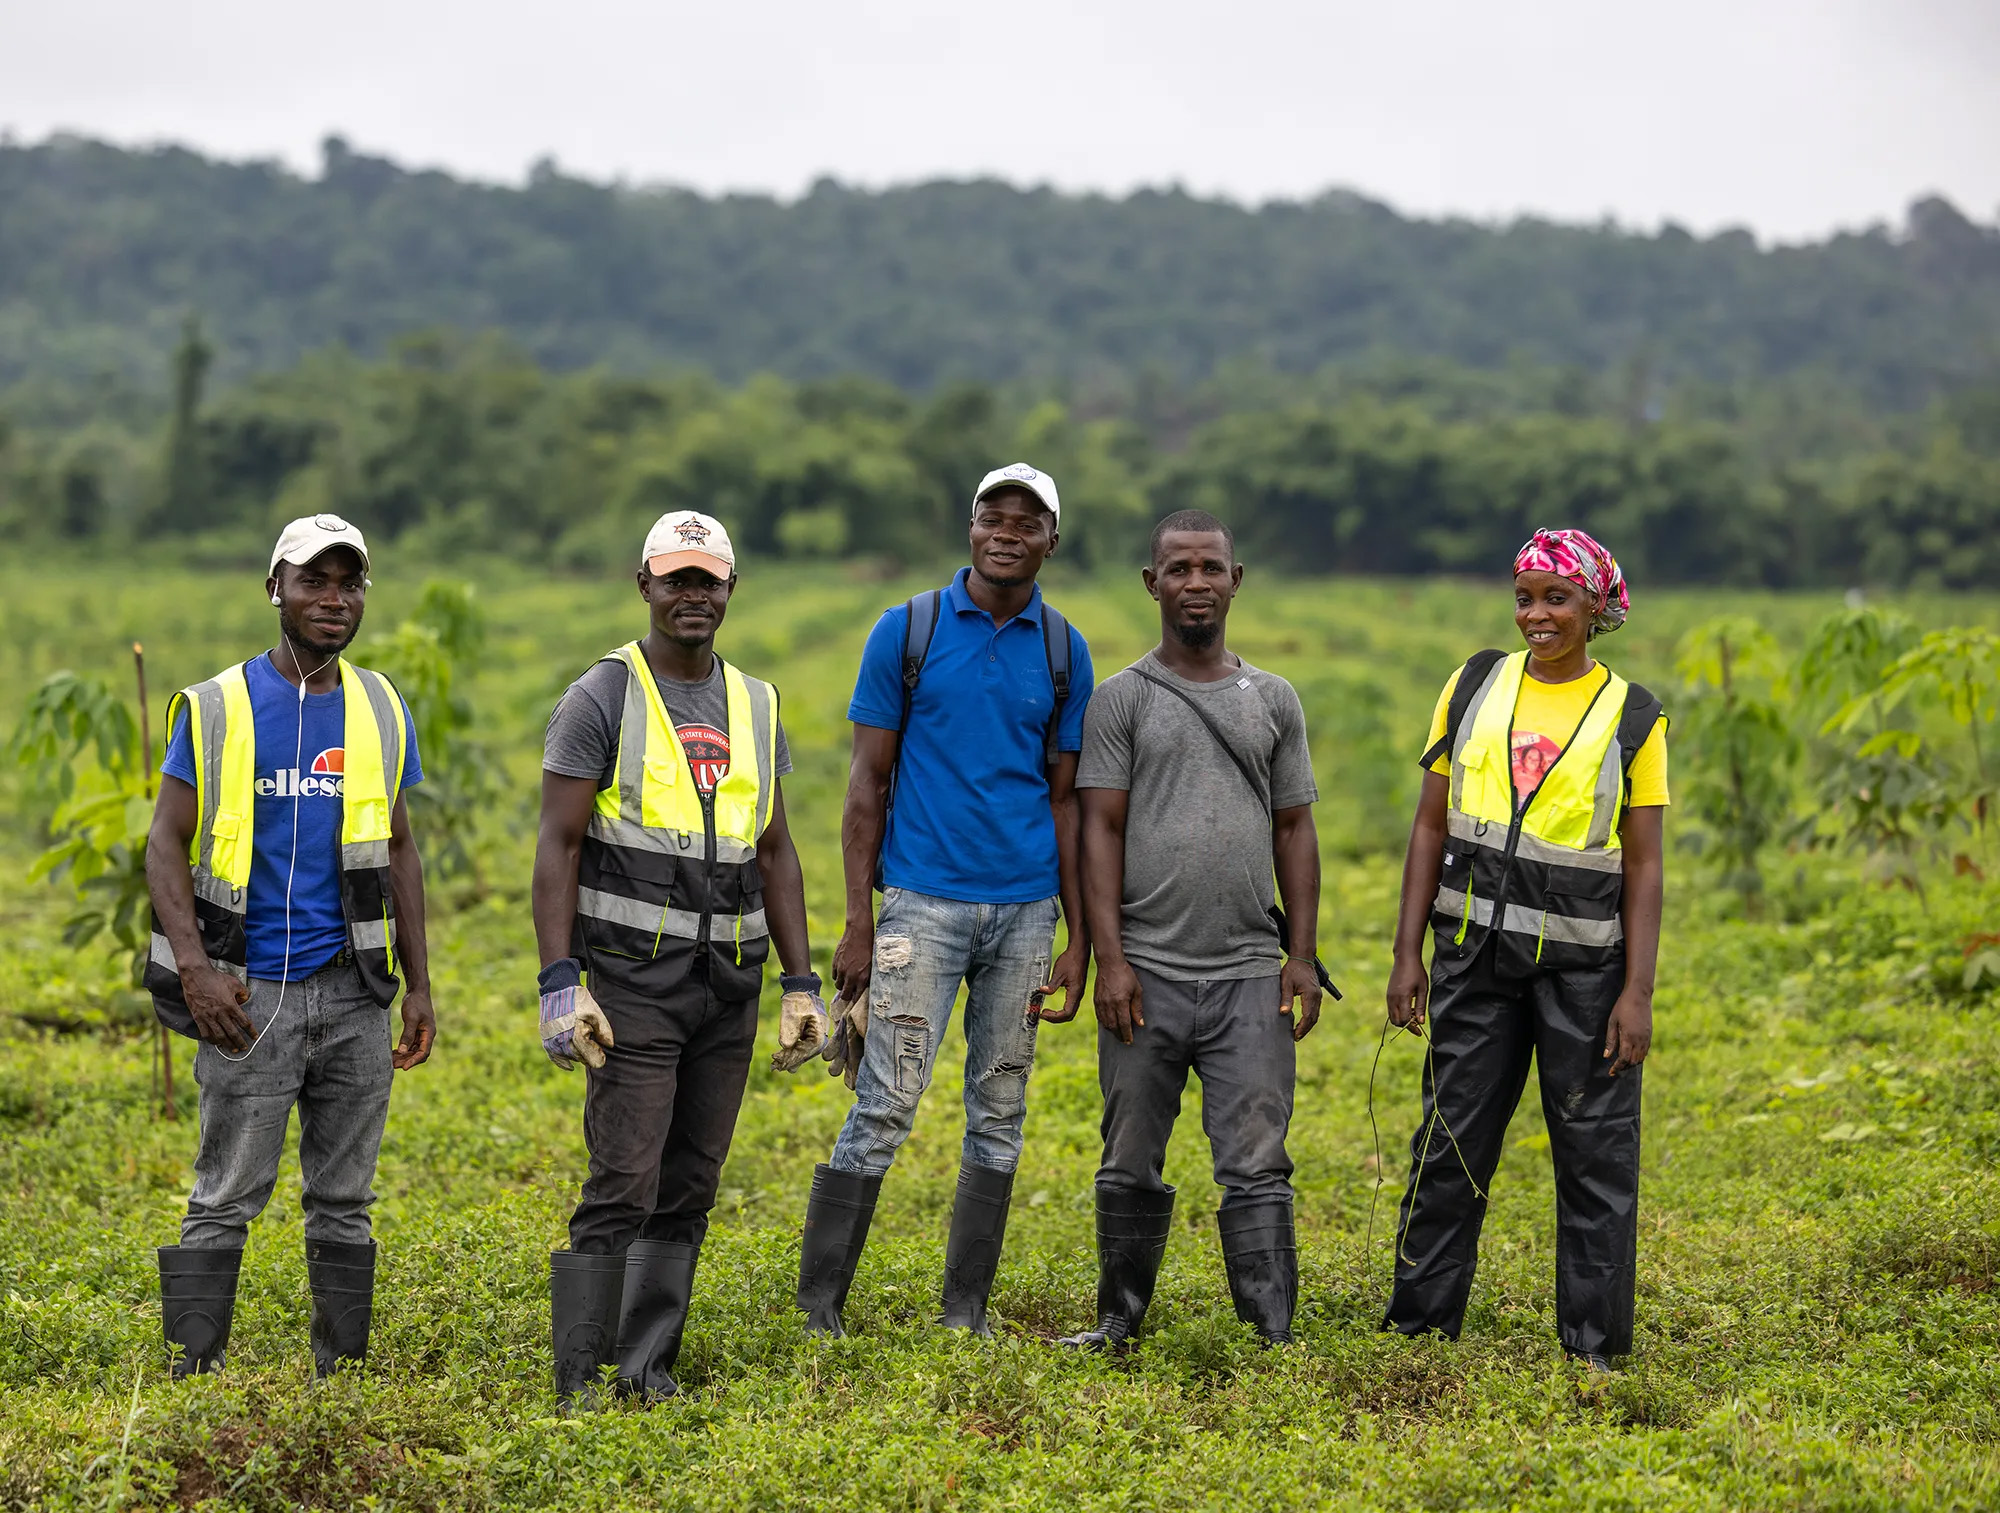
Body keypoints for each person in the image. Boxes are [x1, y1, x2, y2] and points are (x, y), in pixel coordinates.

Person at [796, 462, 1095, 1339]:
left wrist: (1076, 934)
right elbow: (865, 786)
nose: (1006, 533)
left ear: (1051, 539)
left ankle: (964, 1311)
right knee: (884, 1101)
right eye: (991, 517)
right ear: (971, 528)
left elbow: (1065, 800)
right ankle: (821, 1308)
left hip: (1028, 913)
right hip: (921, 907)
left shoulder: (1062, 648)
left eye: (1026, 521)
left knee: (1000, 1110)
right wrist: (858, 921)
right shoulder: (908, 629)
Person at [534, 510, 820, 1403]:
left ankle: (645, 1369)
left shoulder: (758, 704)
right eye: (677, 578)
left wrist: (801, 982)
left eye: (709, 579)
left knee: (690, 1184)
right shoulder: (602, 695)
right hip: (629, 988)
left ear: (731, 589)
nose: (693, 595)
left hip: (725, 990)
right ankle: (581, 1380)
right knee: (623, 1180)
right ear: (646, 585)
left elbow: (774, 849)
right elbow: (558, 843)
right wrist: (558, 982)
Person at [144, 514, 435, 1380]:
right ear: (276, 587)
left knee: (345, 1200)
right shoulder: (217, 705)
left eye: (349, 583)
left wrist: (420, 984)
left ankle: (336, 1381)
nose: (333, 599)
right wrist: (195, 972)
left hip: (353, 990)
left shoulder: (380, 704)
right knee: (224, 1196)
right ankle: (193, 1382)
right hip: (244, 994)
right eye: (314, 580)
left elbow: (399, 845)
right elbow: (165, 842)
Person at [1382, 526, 1667, 1373]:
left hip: (1586, 973)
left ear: (1594, 606)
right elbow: (1430, 824)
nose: (1536, 615)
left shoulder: (1634, 714)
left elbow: (1646, 864)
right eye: (1524, 597)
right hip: (1471, 958)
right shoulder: (1474, 683)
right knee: (1450, 1143)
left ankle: (1595, 1352)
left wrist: (1638, 992)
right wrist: (1408, 955)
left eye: (1556, 598)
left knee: (1595, 1161)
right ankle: (1418, 1333)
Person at [1060, 510, 1323, 1351]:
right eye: (1179, 569)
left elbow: (1295, 829)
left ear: (1236, 580)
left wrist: (1302, 957)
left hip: (1250, 968)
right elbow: (1098, 829)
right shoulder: (1121, 700)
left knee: (1256, 1158)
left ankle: (1270, 1329)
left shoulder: (1273, 698)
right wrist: (1110, 959)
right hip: (1147, 973)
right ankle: (1118, 1318)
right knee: (1129, 1153)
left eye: (1212, 567)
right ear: (1153, 584)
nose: (1196, 582)